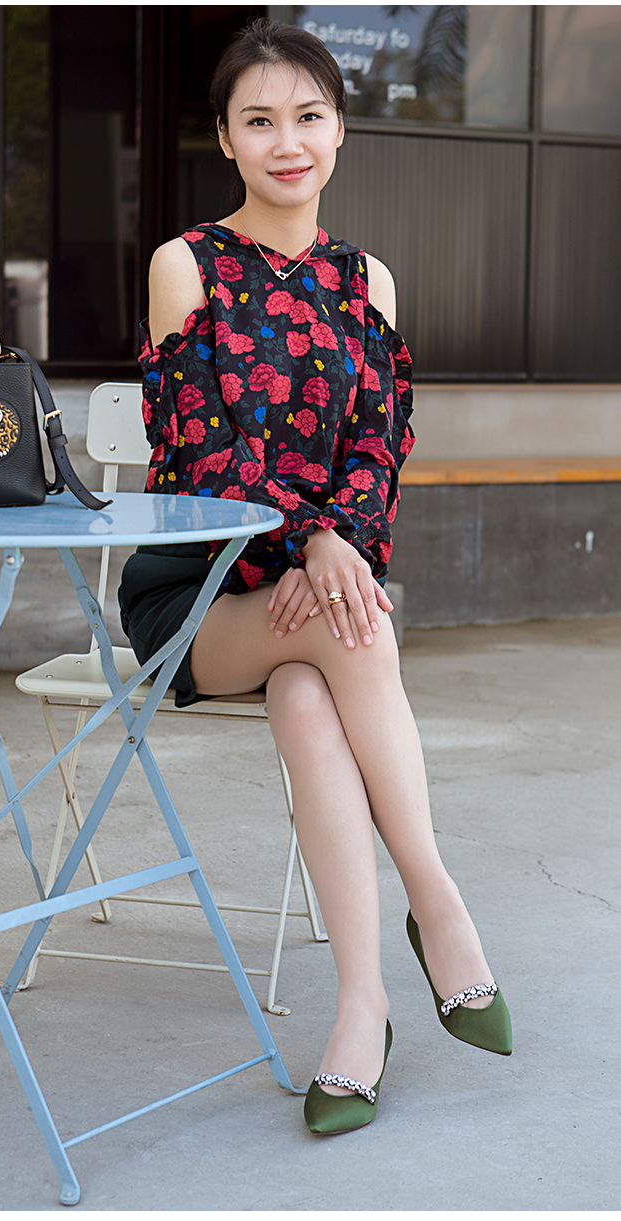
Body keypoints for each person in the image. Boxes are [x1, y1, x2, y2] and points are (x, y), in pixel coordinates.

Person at [119, 18, 511, 1136]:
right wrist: (319, 543)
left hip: (310, 604)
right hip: (198, 596)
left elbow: (378, 451)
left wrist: (336, 539)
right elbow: (199, 461)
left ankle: (360, 1009)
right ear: (225, 140)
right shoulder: (187, 265)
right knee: (354, 625)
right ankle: (437, 903)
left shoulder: (366, 280)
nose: (286, 141)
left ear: (339, 129)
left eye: (307, 116)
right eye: (259, 121)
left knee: (311, 686)